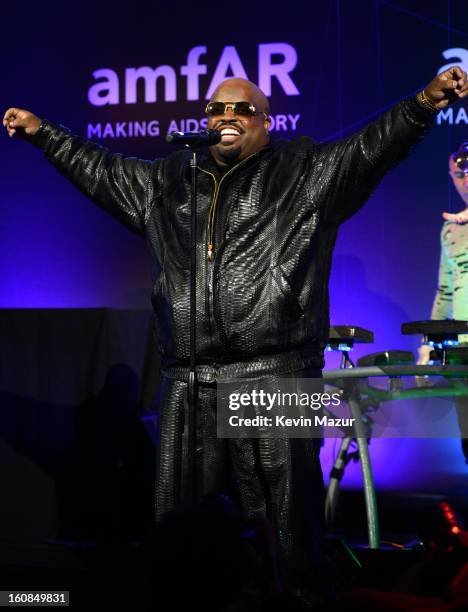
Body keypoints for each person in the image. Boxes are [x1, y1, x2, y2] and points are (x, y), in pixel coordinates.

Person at [3, 68, 467, 605]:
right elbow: (100, 169)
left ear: (267, 122)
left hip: (275, 370)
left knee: (284, 530)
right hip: (189, 378)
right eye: (217, 109)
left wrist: (426, 101)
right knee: (185, 532)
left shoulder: (305, 174)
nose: (227, 117)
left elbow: (372, 147)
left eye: (243, 109)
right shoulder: (168, 184)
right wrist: (44, 134)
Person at [418, 141, 468, 461]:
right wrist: (429, 342)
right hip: (464, 351)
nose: (466, 180)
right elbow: (445, 291)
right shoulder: (451, 229)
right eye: (459, 174)